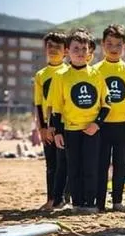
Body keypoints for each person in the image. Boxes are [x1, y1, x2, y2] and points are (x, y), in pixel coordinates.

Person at [51, 29, 111, 213]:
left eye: (84, 49)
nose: (80, 52)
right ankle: (77, 203)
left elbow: (106, 104)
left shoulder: (96, 75)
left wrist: (96, 124)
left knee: (91, 168)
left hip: (92, 130)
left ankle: (90, 203)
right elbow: (56, 109)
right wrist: (59, 132)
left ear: (89, 52)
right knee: (74, 168)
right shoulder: (61, 77)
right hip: (71, 130)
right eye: (76, 48)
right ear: (67, 51)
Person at [94, 24, 125, 212]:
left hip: (122, 125)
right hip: (101, 126)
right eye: (109, 44)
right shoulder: (95, 70)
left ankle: (117, 202)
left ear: (124, 47)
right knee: (101, 164)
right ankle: (99, 202)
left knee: (121, 163)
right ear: (102, 45)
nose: (114, 48)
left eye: (118, 44)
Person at [34, 31, 68, 210]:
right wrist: (43, 128)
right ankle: (52, 199)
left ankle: (64, 199)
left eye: (58, 47)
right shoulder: (41, 75)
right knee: (52, 164)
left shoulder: (69, 71)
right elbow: (39, 104)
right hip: (49, 126)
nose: (53, 50)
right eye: (50, 46)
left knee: (66, 163)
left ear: (66, 51)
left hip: (66, 124)